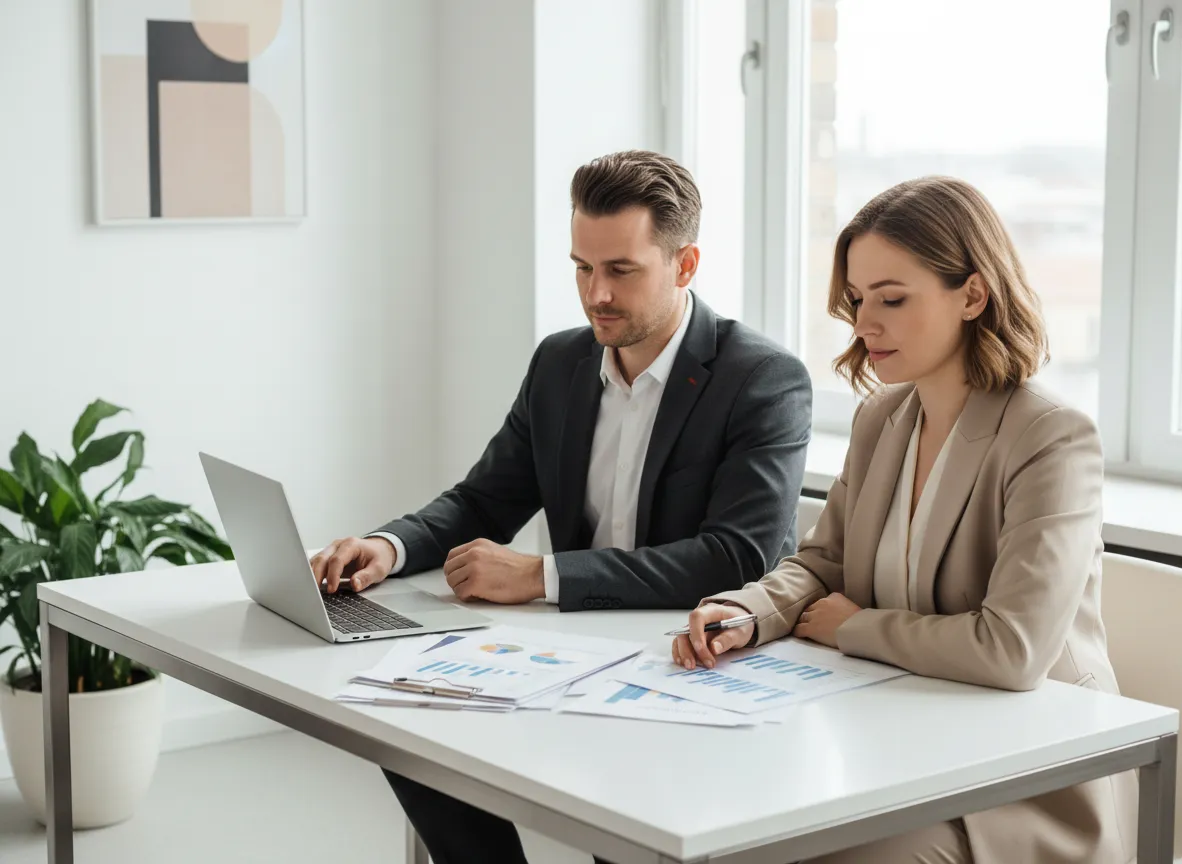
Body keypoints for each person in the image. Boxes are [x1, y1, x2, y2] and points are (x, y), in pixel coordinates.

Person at [311, 149, 812, 864]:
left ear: (686, 264)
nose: (595, 294)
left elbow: (738, 557)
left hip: (696, 664)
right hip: (579, 651)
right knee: (410, 727)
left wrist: (543, 577)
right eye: (582, 267)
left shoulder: (761, 377)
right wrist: (385, 548)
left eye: (620, 270)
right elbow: (485, 499)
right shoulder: (560, 363)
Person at [673, 176, 1134, 864]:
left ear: (972, 295)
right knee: (725, 818)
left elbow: (1011, 651)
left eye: (892, 299)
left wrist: (851, 627)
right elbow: (825, 562)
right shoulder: (883, 418)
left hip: (1029, 774)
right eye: (858, 301)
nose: (863, 325)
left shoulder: (1051, 436)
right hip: (903, 746)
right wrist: (748, 612)